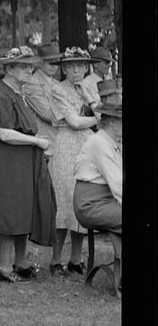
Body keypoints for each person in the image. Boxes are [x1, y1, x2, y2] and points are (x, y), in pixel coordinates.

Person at [0, 46, 55, 283]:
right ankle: (4, 266)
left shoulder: (18, 92)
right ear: (9, 69)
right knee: (9, 210)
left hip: (20, 157)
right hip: (5, 157)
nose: (30, 70)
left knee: (23, 209)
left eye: (31, 66)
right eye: (24, 66)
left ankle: (21, 262)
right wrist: (38, 141)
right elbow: (5, 134)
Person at [44, 47, 100, 277]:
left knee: (82, 201)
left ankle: (76, 259)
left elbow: (103, 112)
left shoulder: (91, 87)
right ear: (64, 68)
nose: (76, 69)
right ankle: (56, 260)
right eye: (71, 65)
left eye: (81, 65)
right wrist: (97, 116)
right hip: (67, 145)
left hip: (88, 145)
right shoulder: (58, 89)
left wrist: (92, 102)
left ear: (87, 67)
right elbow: (74, 122)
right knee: (64, 201)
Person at [73, 101, 122, 290]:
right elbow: (117, 184)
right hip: (90, 204)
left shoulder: (111, 142)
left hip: (106, 200)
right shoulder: (100, 143)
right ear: (110, 122)